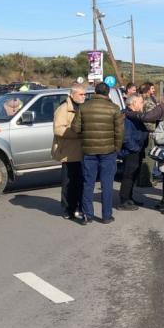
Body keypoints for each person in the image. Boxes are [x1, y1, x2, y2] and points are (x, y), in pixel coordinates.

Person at [71, 82, 125, 225]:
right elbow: (120, 132)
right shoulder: (114, 108)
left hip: (89, 151)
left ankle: (87, 215)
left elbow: (75, 128)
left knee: (88, 183)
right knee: (107, 184)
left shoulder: (83, 107)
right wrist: (117, 149)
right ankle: (106, 216)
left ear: (95, 91)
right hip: (108, 151)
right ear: (108, 93)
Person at [52, 83, 86, 220]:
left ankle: (78, 206)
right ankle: (67, 209)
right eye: (81, 94)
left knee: (80, 182)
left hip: (82, 152)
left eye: (84, 94)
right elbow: (58, 129)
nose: (84, 97)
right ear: (72, 95)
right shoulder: (63, 109)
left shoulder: (83, 107)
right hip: (68, 152)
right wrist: (77, 134)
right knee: (68, 183)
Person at [117, 93, 151, 210]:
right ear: (133, 103)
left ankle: (129, 198)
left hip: (137, 150)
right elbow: (126, 137)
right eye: (141, 102)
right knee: (128, 175)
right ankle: (124, 201)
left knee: (133, 175)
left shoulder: (135, 115)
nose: (143, 104)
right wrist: (135, 148)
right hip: (131, 151)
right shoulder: (126, 116)